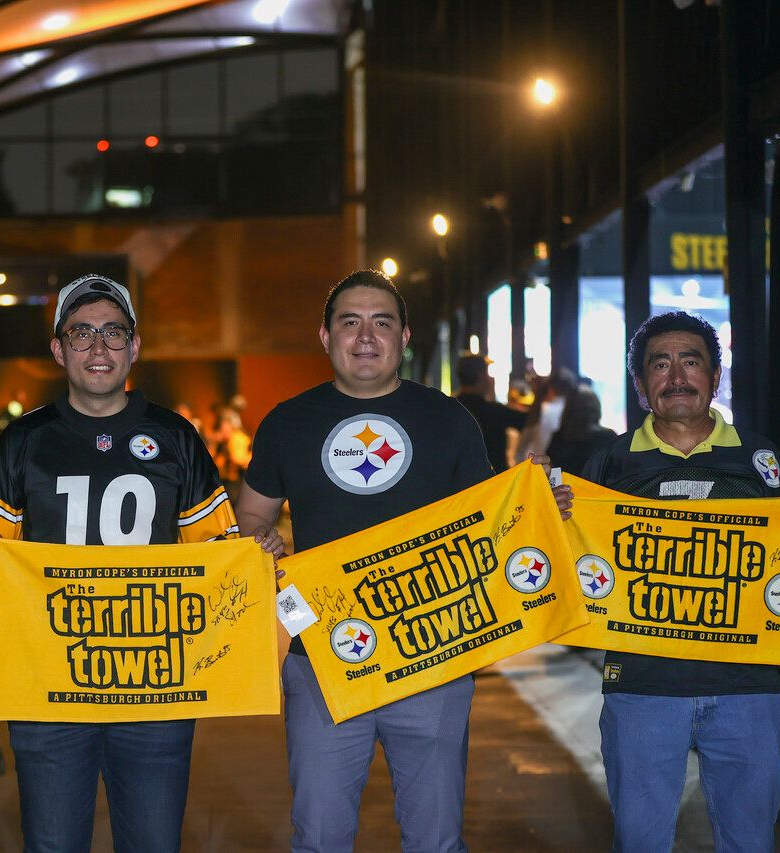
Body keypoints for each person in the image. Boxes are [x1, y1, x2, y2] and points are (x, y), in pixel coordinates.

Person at [0, 274, 282, 853]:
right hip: (49, 688)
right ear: (58, 349)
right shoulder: (23, 441)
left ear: (135, 346)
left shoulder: (176, 438)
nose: (98, 347)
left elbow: (215, 561)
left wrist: (254, 556)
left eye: (113, 332)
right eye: (81, 332)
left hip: (152, 687)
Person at [234, 269, 572, 852]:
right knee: (318, 837)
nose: (366, 335)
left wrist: (541, 505)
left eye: (381, 322)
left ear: (405, 336)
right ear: (325, 335)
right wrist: (261, 541)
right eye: (350, 322)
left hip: (435, 657)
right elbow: (252, 517)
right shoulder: (287, 422)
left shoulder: (448, 420)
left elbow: (490, 522)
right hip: (325, 660)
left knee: (436, 840)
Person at [581, 310, 780, 852]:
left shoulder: (761, 459)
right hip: (643, 687)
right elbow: (571, 562)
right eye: (660, 364)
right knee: (638, 843)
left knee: (750, 843)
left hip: (748, 689)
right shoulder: (608, 464)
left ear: (715, 377)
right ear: (641, 385)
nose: (677, 376)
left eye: (691, 362)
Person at [455, 354, 526, 473]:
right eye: (487, 373)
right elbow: (529, 421)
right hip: (495, 480)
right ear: (480, 376)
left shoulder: (451, 407)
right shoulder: (491, 410)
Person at [544, 384, 616, 476]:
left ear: (568, 409)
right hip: (597, 490)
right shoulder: (608, 437)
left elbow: (553, 475)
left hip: (566, 489)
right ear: (595, 408)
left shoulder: (558, 437)